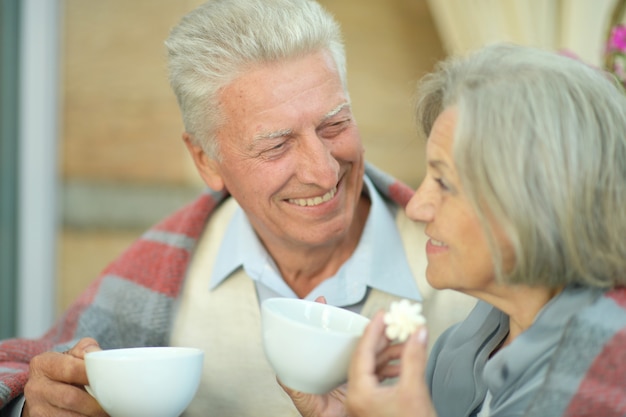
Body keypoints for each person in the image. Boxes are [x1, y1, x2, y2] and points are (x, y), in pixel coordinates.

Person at [0, 1, 475, 416]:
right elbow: (26, 368)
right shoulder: (161, 275)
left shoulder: (473, 277)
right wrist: (33, 407)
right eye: (277, 145)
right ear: (207, 161)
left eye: (335, 124)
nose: (324, 171)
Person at [284, 43, 626, 417]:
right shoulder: (461, 349)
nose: (415, 207)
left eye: (444, 183)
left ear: (543, 203)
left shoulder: (607, 371)